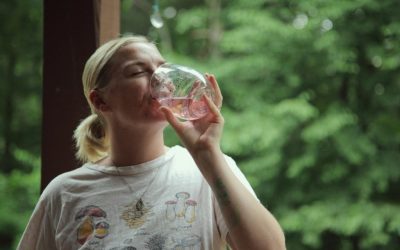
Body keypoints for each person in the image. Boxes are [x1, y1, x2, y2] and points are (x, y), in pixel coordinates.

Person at [17, 35, 286, 250]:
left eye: (162, 68)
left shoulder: (209, 171)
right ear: (100, 101)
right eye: (138, 72)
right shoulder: (65, 193)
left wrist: (208, 155)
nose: (162, 81)